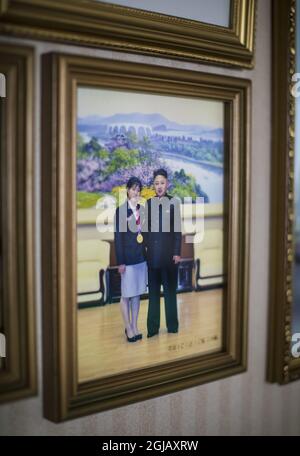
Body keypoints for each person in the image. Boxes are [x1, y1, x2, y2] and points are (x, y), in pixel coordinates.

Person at [145, 168, 182, 337]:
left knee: (170, 293)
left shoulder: (174, 202)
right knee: (153, 294)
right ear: (153, 185)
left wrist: (176, 252)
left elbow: (177, 231)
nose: (159, 186)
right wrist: (144, 250)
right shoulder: (149, 203)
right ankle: (152, 329)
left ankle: (172, 326)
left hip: (169, 258)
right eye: (156, 183)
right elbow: (145, 230)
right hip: (153, 257)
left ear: (167, 184)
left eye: (162, 183)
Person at [114, 177, 147, 343]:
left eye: (138, 189)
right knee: (126, 294)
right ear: (127, 190)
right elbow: (118, 238)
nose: (136, 192)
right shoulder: (120, 211)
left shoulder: (143, 209)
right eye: (133, 189)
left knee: (136, 295)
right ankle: (127, 328)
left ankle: (134, 326)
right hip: (126, 260)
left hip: (141, 258)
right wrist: (120, 262)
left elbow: (146, 234)